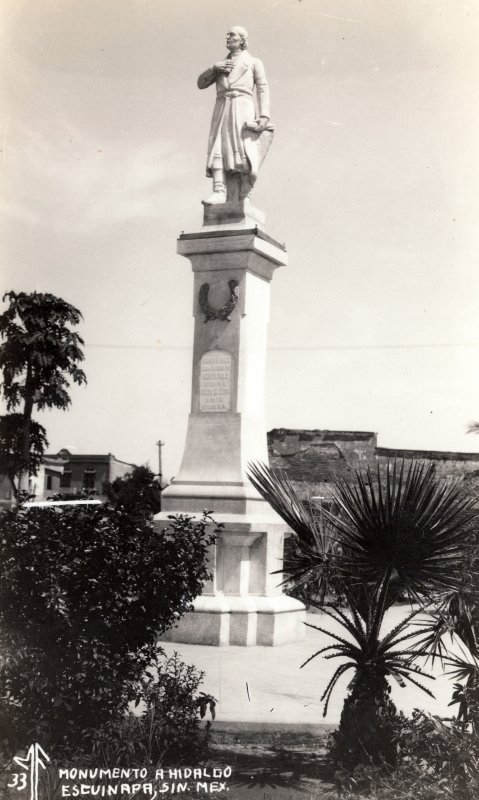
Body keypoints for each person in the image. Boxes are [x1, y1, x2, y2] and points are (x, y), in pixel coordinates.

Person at [197, 26, 272, 204]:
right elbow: (200, 83)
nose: (228, 37)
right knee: (218, 146)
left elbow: (262, 88)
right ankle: (219, 190)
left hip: (242, 107)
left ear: (242, 40)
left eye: (232, 35)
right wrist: (213, 68)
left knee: (244, 149)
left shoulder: (254, 62)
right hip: (223, 107)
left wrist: (264, 115)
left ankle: (245, 194)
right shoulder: (220, 65)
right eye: (227, 34)